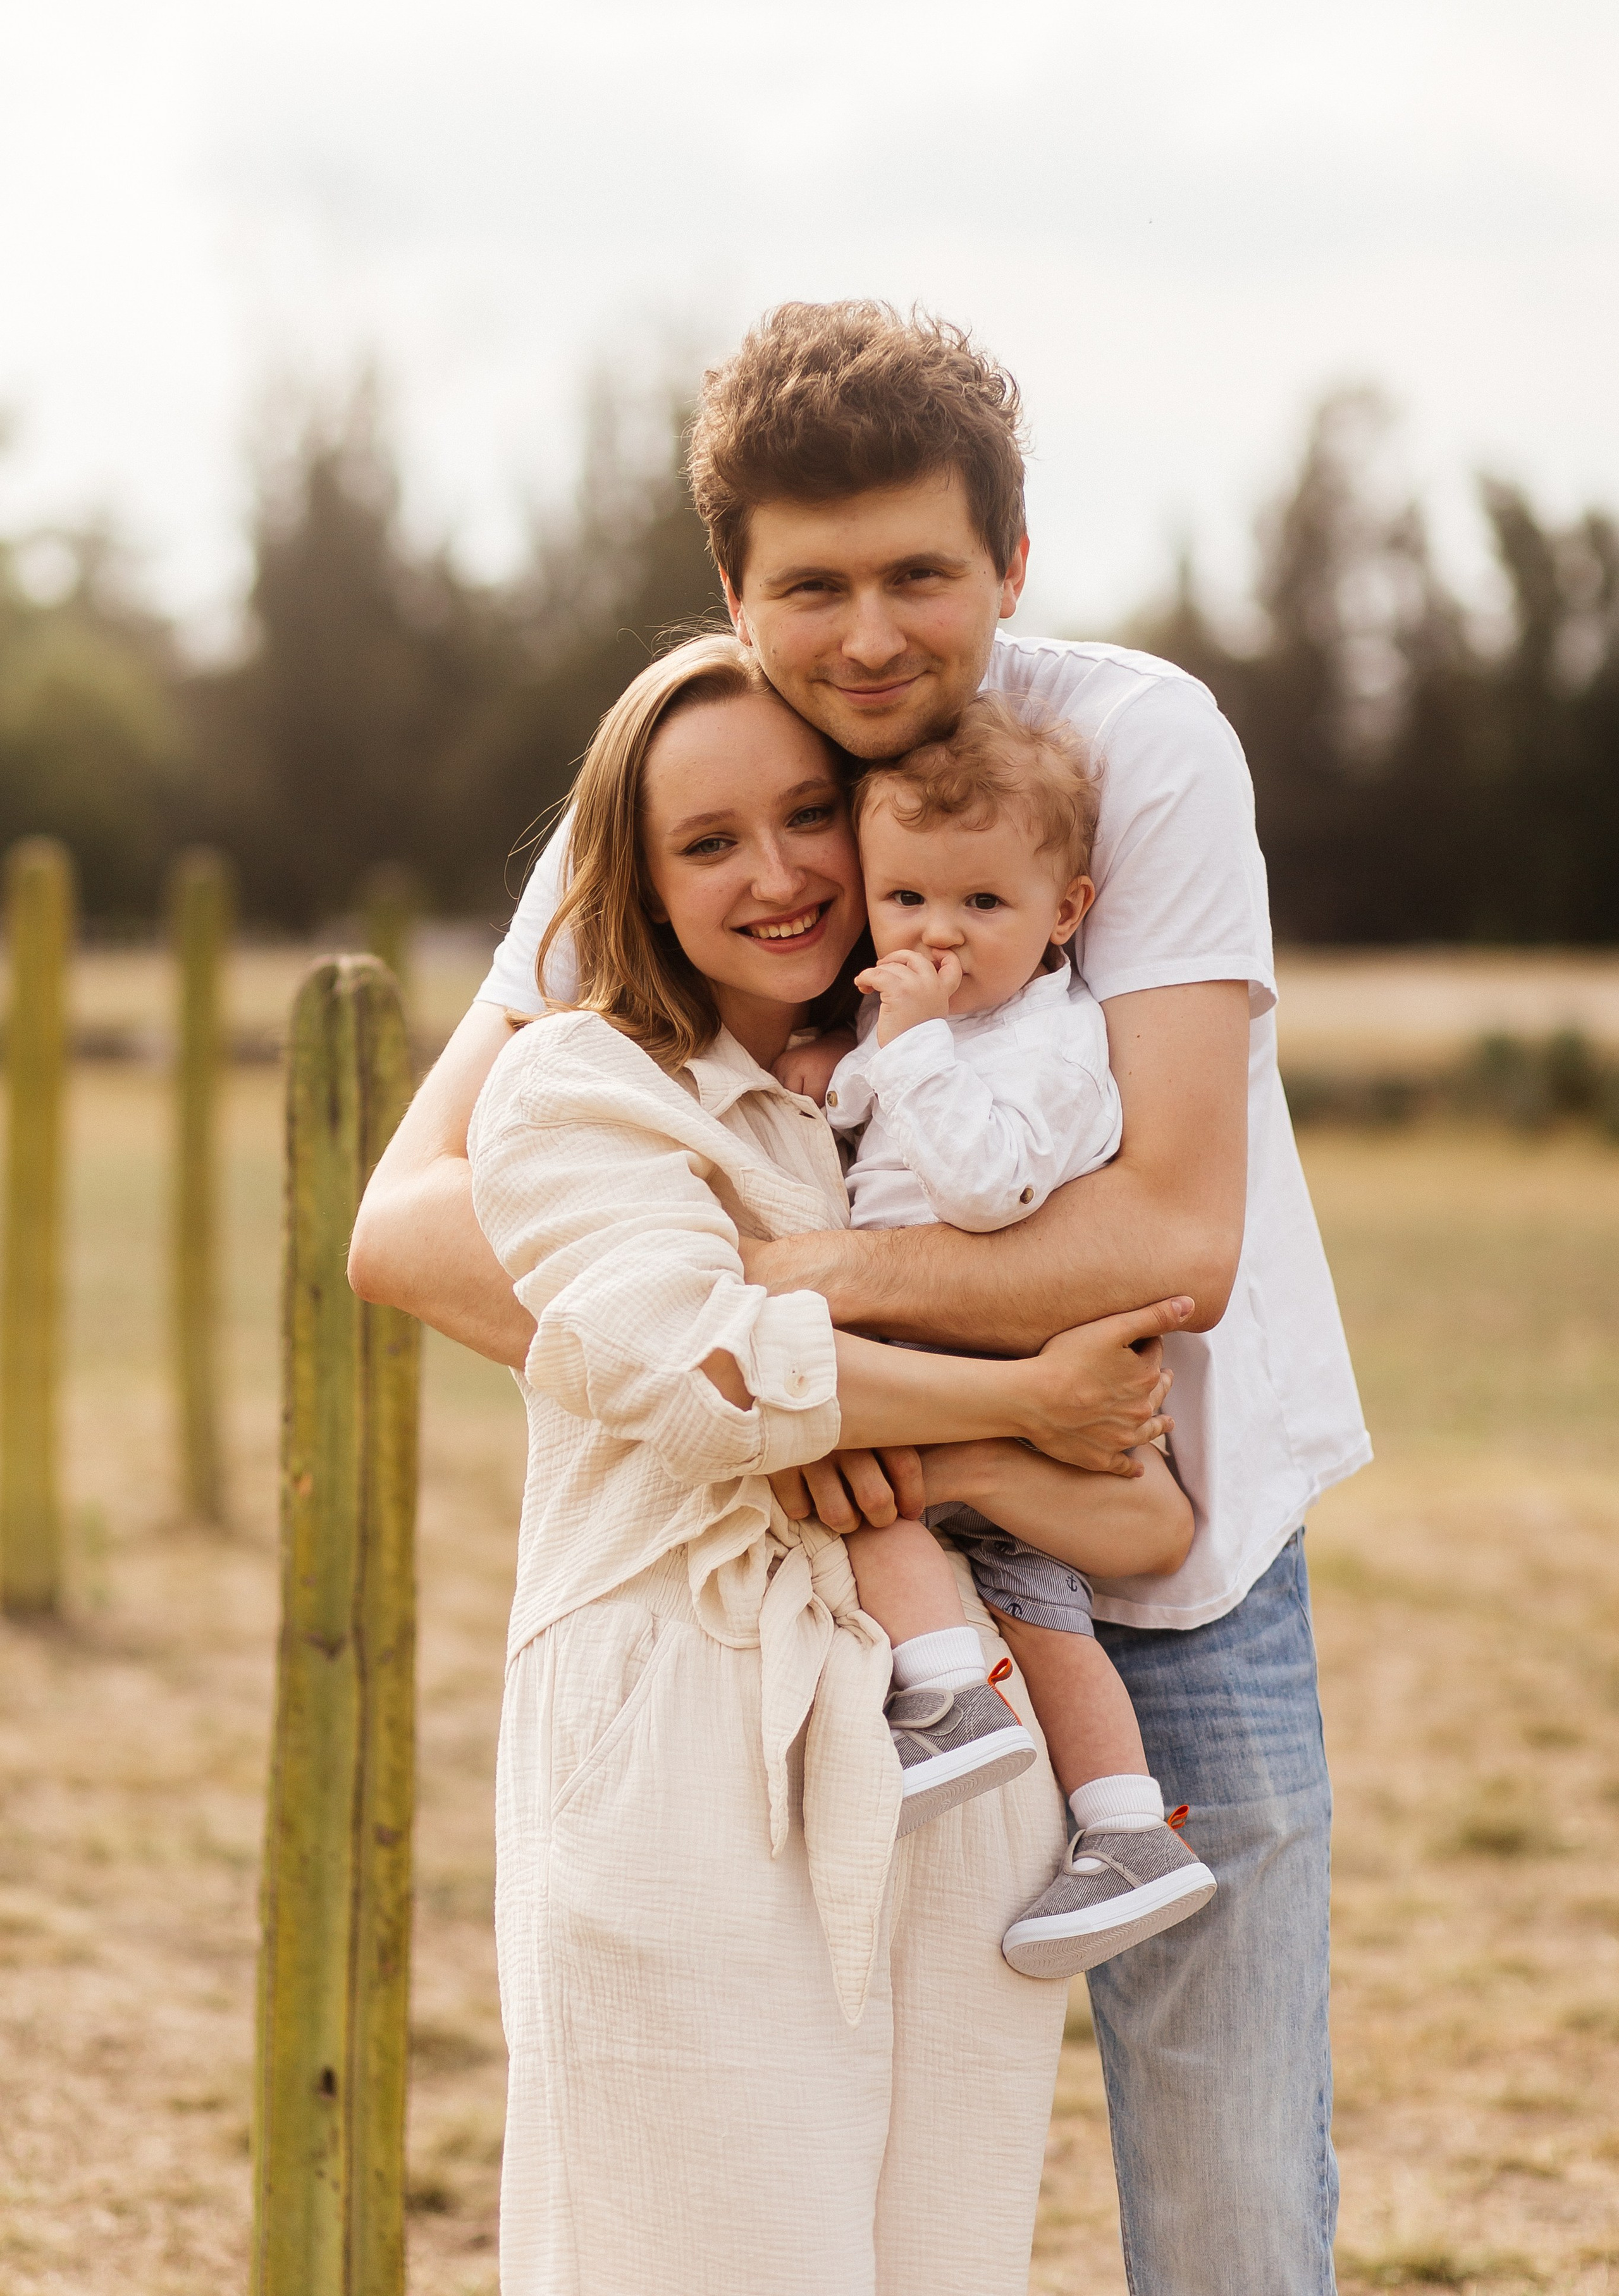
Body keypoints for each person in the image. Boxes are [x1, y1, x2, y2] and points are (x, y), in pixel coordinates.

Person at [351, 300, 1370, 2295]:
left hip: (1171, 1534)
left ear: (1011, 557)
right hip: (869, 1588)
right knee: (869, 2194)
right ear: (732, 588)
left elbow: (1174, 1241)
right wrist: (785, 1370)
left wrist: (771, 1299)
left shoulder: (1124, 747)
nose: (874, 634)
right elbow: (409, 1219)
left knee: (1238, 2197)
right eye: (812, 585)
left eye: (923, 570)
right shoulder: (698, 790)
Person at [465, 635, 1193, 2293]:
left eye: (808, 816)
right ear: (637, 880)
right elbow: (688, 1368)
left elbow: (1133, 1497)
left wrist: (984, 1430)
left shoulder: (905, 1105)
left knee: (938, 2263)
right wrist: (994, 1416)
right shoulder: (576, 1087)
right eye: (709, 842)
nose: (783, 874)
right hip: (684, 1733)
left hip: (960, 1763)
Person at [791, 693, 1217, 1976]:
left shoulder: (1052, 1042)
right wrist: (846, 1072)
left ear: (1062, 914)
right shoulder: (924, 1025)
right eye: (906, 900)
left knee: (879, 1506)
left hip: (997, 1348)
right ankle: (1127, 1829)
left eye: (981, 906)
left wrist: (906, 1045)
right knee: (1038, 1606)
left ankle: (940, 1703)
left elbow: (986, 1194)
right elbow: (869, 1121)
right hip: (967, 1350)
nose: (936, 935)